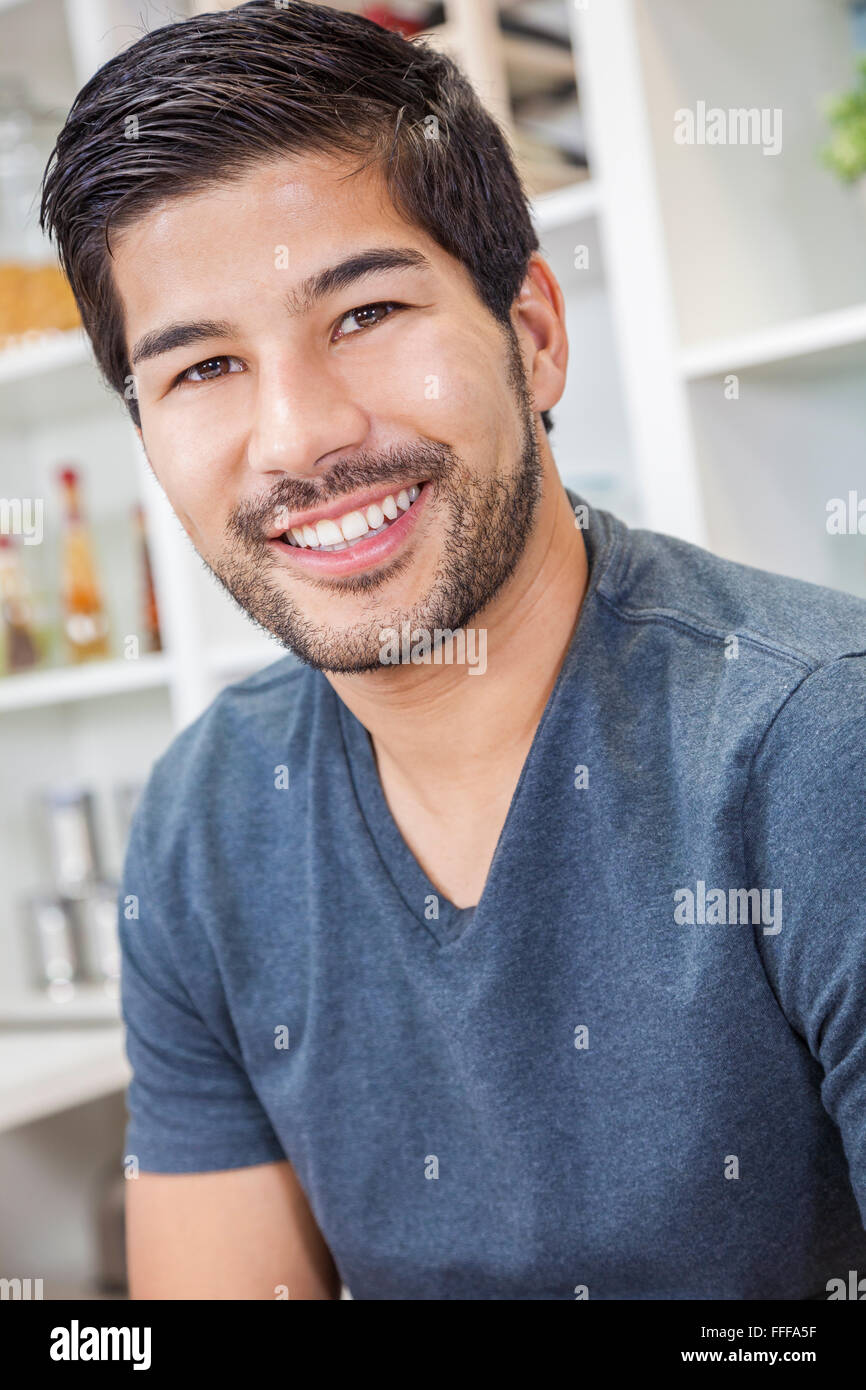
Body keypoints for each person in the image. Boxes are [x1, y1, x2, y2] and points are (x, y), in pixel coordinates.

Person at [40, 0, 866, 1300]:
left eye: (364, 312)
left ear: (530, 334)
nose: (299, 437)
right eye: (201, 368)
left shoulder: (820, 746)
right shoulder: (207, 818)